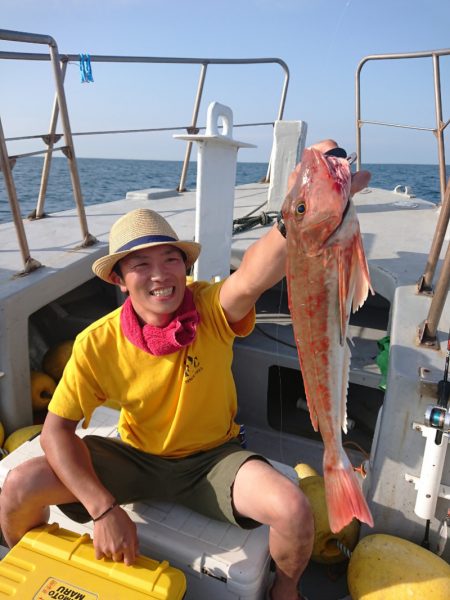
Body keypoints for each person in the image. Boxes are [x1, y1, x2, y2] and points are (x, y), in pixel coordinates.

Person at [0, 140, 370, 600]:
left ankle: (286, 591)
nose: (161, 274)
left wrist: (294, 216)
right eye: (141, 264)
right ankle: (30, 568)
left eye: (171, 258)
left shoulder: (210, 308)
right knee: (20, 484)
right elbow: (56, 431)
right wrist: (101, 511)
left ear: (184, 264)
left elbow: (253, 275)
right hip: (135, 457)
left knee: (294, 509)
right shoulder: (97, 342)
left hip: (213, 461)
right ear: (119, 279)